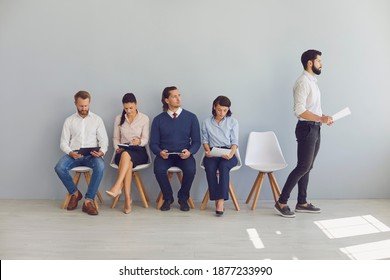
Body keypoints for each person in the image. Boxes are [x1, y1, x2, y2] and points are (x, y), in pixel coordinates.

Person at [274, 49, 333, 218]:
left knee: (308, 166)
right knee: (303, 166)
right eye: (319, 61)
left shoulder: (313, 82)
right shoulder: (303, 82)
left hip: (315, 127)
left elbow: (312, 109)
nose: (322, 64)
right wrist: (320, 119)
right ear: (310, 62)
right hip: (306, 128)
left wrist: (323, 118)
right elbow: (299, 110)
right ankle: (281, 202)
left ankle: (302, 202)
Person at [54, 90, 108, 216]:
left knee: (100, 166)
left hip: (92, 154)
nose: (84, 108)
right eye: (81, 106)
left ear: (89, 103)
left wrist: (101, 152)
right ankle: (75, 193)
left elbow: (104, 141)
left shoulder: (97, 120)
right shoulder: (69, 121)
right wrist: (71, 152)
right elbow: (63, 142)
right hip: (74, 154)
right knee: (59, 167)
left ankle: (88, 201)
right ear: (75, 104)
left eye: (86, 105)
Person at [150, 86, 201, 211]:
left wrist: (190, 152)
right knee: (159, 170)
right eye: (174, 96)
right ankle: (168, 198)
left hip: (184, 155)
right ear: (167, 100)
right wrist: (159, 152)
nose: (178, 99)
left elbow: (196, 142)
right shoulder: (158, 120)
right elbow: (153, 143)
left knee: (190, 170)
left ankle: (183, 198)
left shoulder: (191, 118)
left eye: (179, 95)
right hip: (165, 155)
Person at [105, 93, 149, 214]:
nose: (128, 111)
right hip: (123, 150)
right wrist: (116, 148)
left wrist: (139, 141)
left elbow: (145, 139)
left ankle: (118, 187)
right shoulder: (119, 118)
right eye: (126, 108)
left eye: (131, 108)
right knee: (126, 159)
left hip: (139, 151)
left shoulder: (144, 118)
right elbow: (115, 138)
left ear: (136, 105)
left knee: (127, 157)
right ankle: (127, 199)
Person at [201, 95, 238, 216]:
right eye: (219, 109)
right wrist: (208, 151)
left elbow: (234, 143)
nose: (222, 113)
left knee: (223, 167)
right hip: (213, 152)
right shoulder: (206, 122)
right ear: (214, 107)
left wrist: (231, 154)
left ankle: (220, 202)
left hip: (228, 153)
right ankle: (217, 199)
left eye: (225, 110)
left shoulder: (233, 121)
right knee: (210, 167)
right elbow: (205, 141)